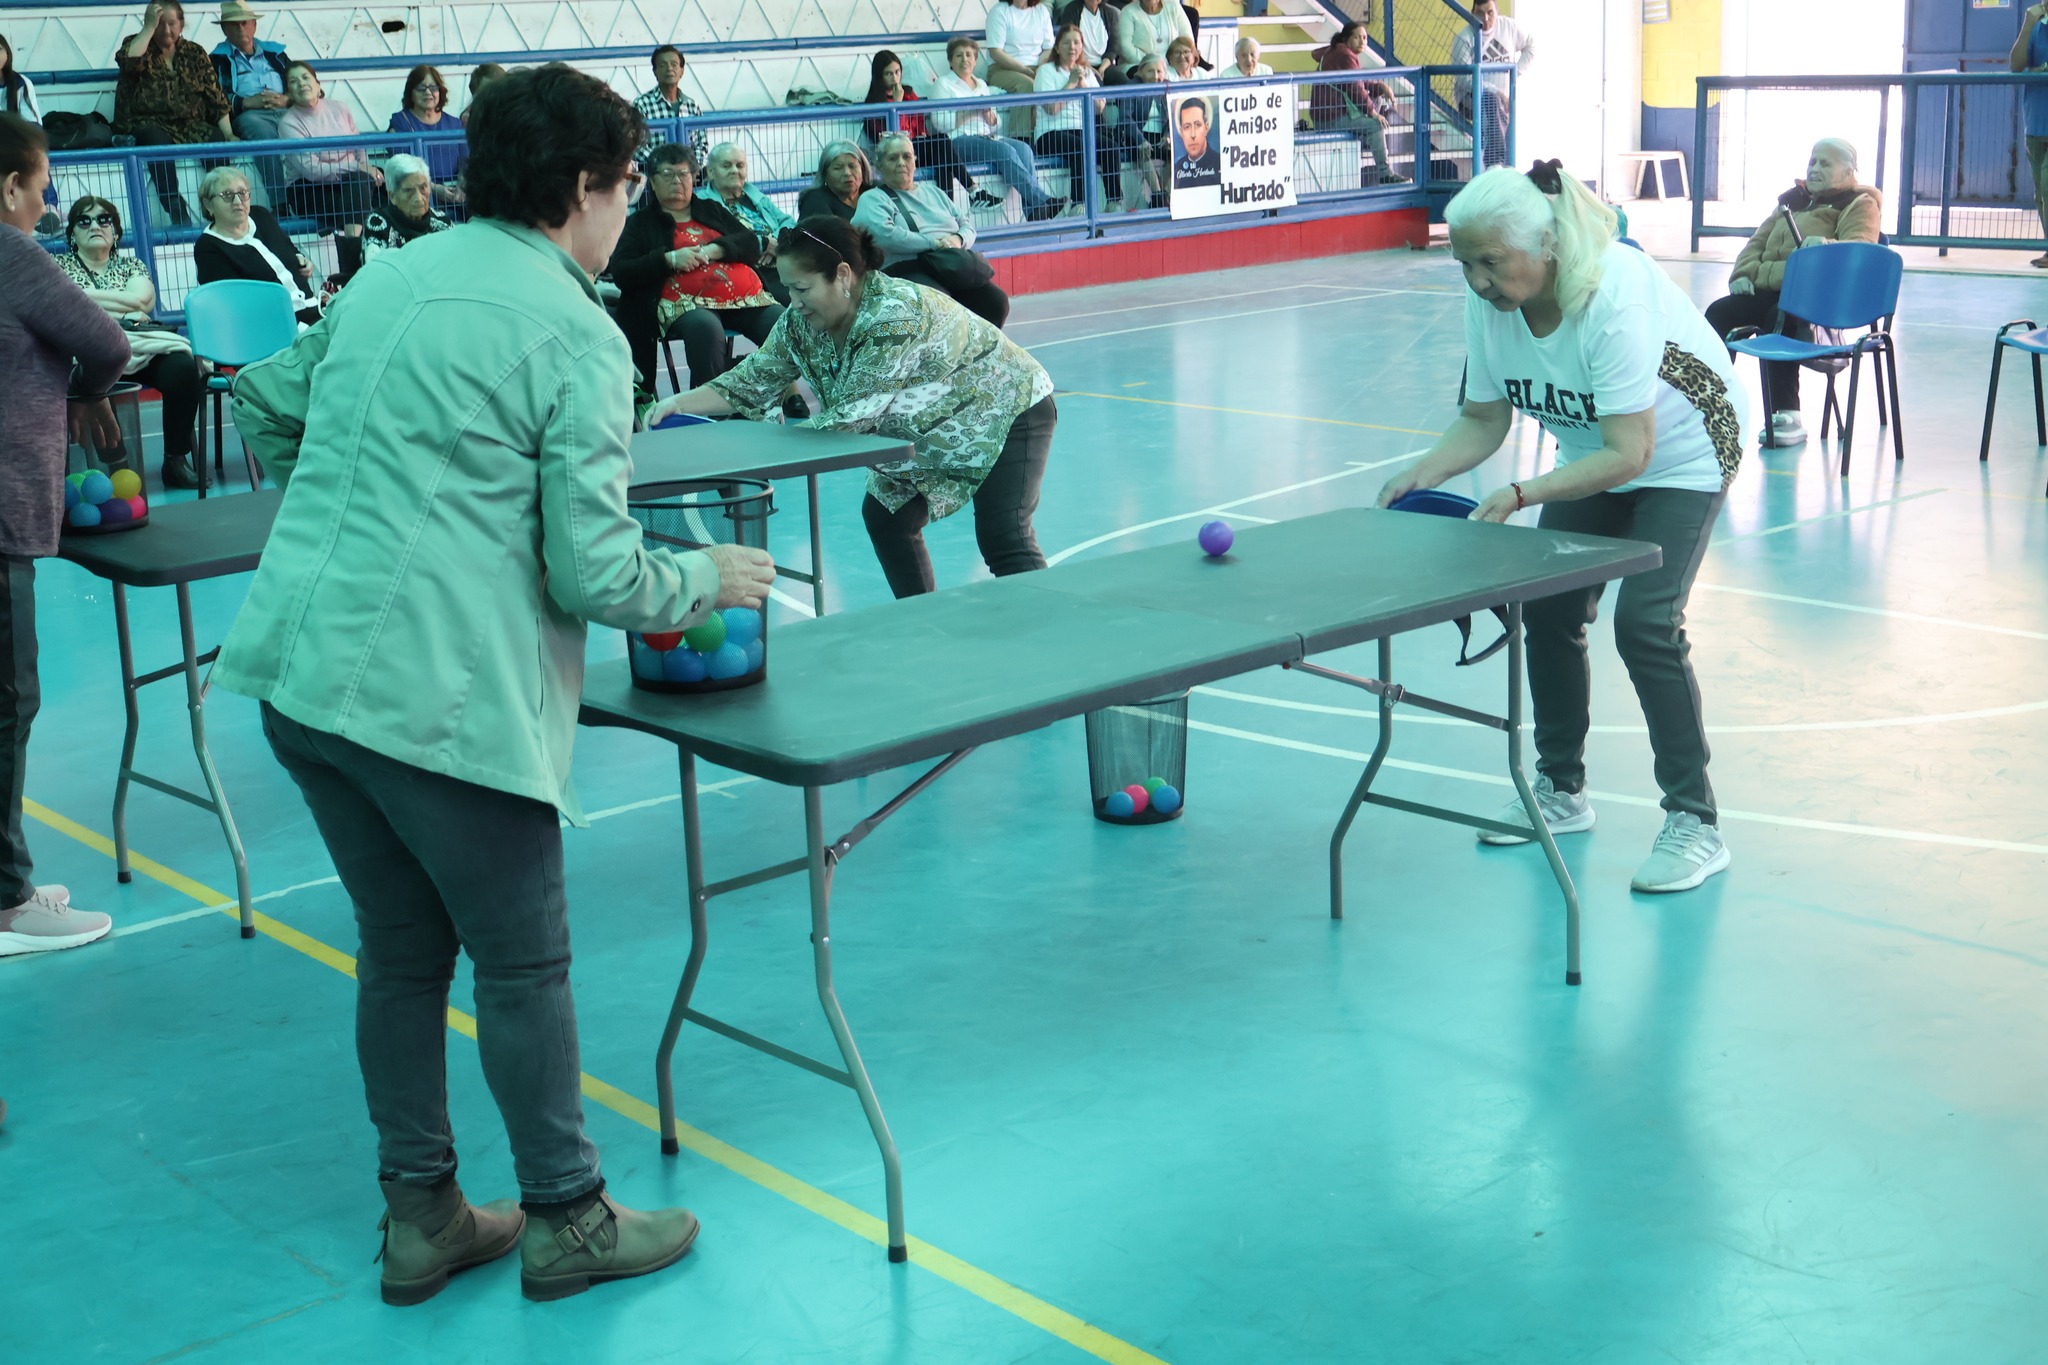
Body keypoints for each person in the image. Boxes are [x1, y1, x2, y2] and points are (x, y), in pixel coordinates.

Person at [212, 62, 774, 1306]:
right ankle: (567, 1218)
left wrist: (375, 514)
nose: (630, 207)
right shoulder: (574, 327)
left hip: (304, 675)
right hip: (436, 705)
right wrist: (707, 580)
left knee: (402, 959)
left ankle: (423, 1218)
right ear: (581, 186)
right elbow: (592, 567)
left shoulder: (392, 276)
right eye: (627, 185)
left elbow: (265, 406)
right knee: (521, 968)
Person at [1376, 161, 1744, 895]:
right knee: (1547, 608)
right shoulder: (1492, 305)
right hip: (1594, 453)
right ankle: (1561, 790)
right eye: (1465, 262)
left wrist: (1521, 491)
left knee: (1645, 623)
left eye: (1491, 262)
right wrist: (1424, 472)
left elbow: (1632, 452)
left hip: (1685, 452)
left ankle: (1696, 823)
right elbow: (1484, 417)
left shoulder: (1613, 298)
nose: (1477, 281)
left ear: (1543, 247)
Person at [650, 215, 1055, 599]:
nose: (793, 302)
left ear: (842, 276)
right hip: (926, 425)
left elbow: (850, 419)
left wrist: (747, 447)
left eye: (802, 289)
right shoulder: (799, 321)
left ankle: (1055, 638)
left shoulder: (893, 316)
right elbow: (753, 377)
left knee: (1005, 538)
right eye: (787, 289)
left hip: (1007, 408)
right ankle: (922, 619)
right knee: (887, 518)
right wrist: (677, 403)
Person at [0, 113, 129, 962]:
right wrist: (84, 389)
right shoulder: (13, 254)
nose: (48, 210)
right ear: (11, 186)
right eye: (43, 191)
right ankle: (8, 903)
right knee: (10, 702)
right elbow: (108, 343)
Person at [1704, 138, 1881, 446]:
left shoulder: (1860, 203)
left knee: (1779, 318)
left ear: (1849, 171)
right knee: (1720, 313)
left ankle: (1788, 416)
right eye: (1813, 161)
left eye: (1825, 163)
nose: (1815, 168)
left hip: (1816, 301)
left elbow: (1861, 250)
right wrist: (1743, 274)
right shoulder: (1792, 201)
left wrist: (1826, 246)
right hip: (1769, 288)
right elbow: (1757, 242)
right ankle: (1704, 401)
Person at [608, 143, 782, 399]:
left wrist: (716, 249)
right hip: (685, 305)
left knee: (780, 319)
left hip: (742, 300)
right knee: (705, 328)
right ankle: (706, 407)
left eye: (683, 174)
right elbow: (622, 272)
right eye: (667, 175)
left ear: (693, 178)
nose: (676, 181)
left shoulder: (711, 210)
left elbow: (748, 242)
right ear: (653, 183)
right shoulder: (640, 223)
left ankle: (780, 395)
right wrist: (668, 260)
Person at [56, 195, 208, 489]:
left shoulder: (131, 265)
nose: (95, 226)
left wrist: (84, 299)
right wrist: (124, 307)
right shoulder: (57, 265)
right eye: (83, 221)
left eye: (104, 220)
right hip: (93, 353)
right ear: (72, 234)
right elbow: (63, 305)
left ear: (115, 232)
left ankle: (175, 460)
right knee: (94, 375)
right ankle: (118, 466)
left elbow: (142, 301)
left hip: (140, 346)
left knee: (183, 368)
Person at [855, 131, 1010, 327]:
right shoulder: (873, 199)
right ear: (880, 165)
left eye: (906, 156)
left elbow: (967, 225)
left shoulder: (934, 192)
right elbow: (884, 235)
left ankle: (975, 354)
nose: (901, 163)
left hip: (949, 263)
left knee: (996, 302)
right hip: (907, 268)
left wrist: (958, 240)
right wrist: (933, 243)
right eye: (893, 158)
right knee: (939, 303)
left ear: (915, 161)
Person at [114, 0, 236, 226]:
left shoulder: (194, 52)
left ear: (181, 24)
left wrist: (228, 134)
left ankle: (221, 206)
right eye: (160, 24)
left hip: (189, 123)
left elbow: (215, 96)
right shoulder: (137, 44)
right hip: (148, 122)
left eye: (172, 23)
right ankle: (176, 210)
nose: (166, 30)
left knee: (216, 141)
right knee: (157, 142)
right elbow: (129, 63)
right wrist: (148, 28)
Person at [929, 37, 1064, 221]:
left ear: (975, 60)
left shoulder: (982, 84)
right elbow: (939, 123)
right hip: (958, 140)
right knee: (1004, 150)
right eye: (958, 55)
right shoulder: (943, 84)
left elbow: (996, 122)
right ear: (951, 61)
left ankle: (1033, 212)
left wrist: (989, 116)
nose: (964, 60)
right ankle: (1040, 200)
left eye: (969, 55)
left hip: (986, 136)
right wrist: (971, 110)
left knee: (1024, 149)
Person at [1036, 24, 1158, 212]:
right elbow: (1051, 109)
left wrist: (1084, 84)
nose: (1072, 47)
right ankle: (1078, 206)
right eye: (1066, 42)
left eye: (1077, 42)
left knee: (1110, 147)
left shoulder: (1087, 73)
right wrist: (1070, 84)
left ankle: (1114, 203)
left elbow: (1099, 108)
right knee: (1081, 148)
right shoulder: (1047, 71)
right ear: (1057, 47)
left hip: (1081, 131)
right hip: (1051, 133)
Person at [193, 164, 322, 324]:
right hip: (270, 324)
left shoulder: (261, 216)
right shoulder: (208, 247)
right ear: (208, 204)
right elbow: (233, 302)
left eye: (242, 193)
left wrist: (302, 261)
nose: (237, 201)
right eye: (226, 195)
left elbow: (290, 250)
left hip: (312, 309)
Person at [861, 49, 985, 206]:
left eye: (897, 72)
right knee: (941, 142)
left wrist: (921, 135)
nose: (895, 78)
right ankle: (970, 192)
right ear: (879, 76)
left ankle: (950, 205)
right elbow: (893, 137)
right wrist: (897, 105)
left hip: (916, 147)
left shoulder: (908, 93)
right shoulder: (874, 103)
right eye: (889, 74)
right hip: (896, 155)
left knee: (943, 156)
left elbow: (919, 123)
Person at [279, 60, 381, 236]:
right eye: (294, 82)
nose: (301, 83)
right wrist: (358, 168)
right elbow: (312, 171)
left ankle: (355, 242)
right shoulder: (288, 123)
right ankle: (355, 245)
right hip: (309, 189)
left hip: (351, 183)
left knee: (387, 186)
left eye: (305, 77)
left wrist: (365, 170)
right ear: (289, 93)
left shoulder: (340, 108)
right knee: (359, 193)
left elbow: (359, 148)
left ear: (318, 85)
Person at [208, 0, 289, 203]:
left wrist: (287, 99)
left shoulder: (275, 54)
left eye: (245, 22)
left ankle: (315, 198)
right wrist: (244, 103)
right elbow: (213, 98)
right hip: (249, 116)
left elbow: (301, 80)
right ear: (225, 29)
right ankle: (280, 203)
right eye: (234, 24)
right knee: (263, 135)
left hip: (287, 111)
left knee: (313, 124)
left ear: (254, 24)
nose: (241, 28)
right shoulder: (216, 60)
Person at [336, 152, 452, 285]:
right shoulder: (378, 224)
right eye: (409, 191)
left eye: (423, 188)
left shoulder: (443, 223)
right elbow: (377, 276)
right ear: (392, 197)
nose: (419, 198)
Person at [1310, 23, 1402, 185]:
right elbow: (1355, 89)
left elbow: (1361, 81)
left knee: (1377, 99)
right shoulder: (1345, 55)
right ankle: (1385, 174)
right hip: (1329, 118)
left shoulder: (1340, 52)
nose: (1362, 41)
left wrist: (1381, 87)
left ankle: (1369, 138)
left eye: (1365, 38)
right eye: (1357, 37)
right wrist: (1373, 113)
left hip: (1330, 114)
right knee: (1376, 125)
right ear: (1346, 39)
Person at [705, 141, 794, 301]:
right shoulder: (704, 203)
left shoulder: (753, 195)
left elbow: (787, 221)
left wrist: (779, 241)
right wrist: (764, 243)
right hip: (750, 271)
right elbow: (722, 242)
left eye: (740, 165)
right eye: (726, 166)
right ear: (711, 172)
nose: (734, 171)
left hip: (782, 261)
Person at [1451, 0, 1534, 169]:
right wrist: (1495, 91)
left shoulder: (1509, 27)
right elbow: (1464, 80)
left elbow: (1531, 46)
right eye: (1480, 13)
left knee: (1503, 114)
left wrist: (1514, 74)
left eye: (1490, 13)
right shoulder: (1464, 38)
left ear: (1496, 11)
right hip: (1469, 99)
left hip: (1503, 99)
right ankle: (1494, 163)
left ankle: (1505, 167)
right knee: (1492, 101)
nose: (1486, 19)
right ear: (1472, 13)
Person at [0, 33, 61, 235]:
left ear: (7, 53)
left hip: (16, 140)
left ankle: (49, 208)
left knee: (33, 151)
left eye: (0, 50)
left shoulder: (20, 82)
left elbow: (32, 122)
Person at [387, 63, 463, 203]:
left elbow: (467, 163)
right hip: (418, 195)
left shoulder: (455, 123)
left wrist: (462, 185)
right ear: (411, 93)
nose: (428, 92)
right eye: (421, 88)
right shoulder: (400, 123)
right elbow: (402, 169)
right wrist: (433, 188)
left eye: (433, 88)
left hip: (454, 194)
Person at [2013, 0, 2048, 267]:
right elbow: (2016, 65)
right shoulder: (2037, 25)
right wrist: (2027, 24)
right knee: (2041, 193)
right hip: (2036, 122)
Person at [633, 44, 706, 170]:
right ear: (655, 71)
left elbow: (701, 144)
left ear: (682, 71)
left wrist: (691, 167)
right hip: (654, 176)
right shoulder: (642, 104)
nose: (669, 69)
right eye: (662, 65)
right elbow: (635, 145)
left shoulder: (692, 106)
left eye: (674, 64)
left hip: (687, 175)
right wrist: (661, 165)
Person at [985, 0, 1057, 108]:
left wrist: (1040, 68)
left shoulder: (1041, 11)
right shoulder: (999, 11)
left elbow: (1048, 49)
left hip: (1036, 67)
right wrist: (1024, 70)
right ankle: (1021, 126)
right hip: (1002, 69)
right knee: (1027, 85)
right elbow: (996, 52)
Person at [797, 140, 873, 222]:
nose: (847, 173)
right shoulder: (815, 201)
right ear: (825, 174)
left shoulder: (875, 192)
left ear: (863, 169)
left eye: (852, 166)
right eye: (838, 168)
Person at [1056, 0, 1127, 85]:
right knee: (1097, 84)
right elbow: (1070, 41)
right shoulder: (1071, 10)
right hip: (1081, 64)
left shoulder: (1110, 13)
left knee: (1123, 81)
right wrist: (1089, 67)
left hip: (1105, 64)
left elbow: (1113, 46)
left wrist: (1102, 68)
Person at [1117, 0, 1192, 71]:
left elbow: (1187, 40)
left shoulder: (1174, 7)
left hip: (1174, 64)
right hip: (1139, 65)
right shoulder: (1128, 12)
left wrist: (1175, 59)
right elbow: (1125, 47)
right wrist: (1151, 62)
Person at [1171, 96, 1218, 190]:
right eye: (1187, 127)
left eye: (1198, 125)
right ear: (1181, 132)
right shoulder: (1177, 168)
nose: (1193, 135)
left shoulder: (1219, 163)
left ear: (1206, 127)